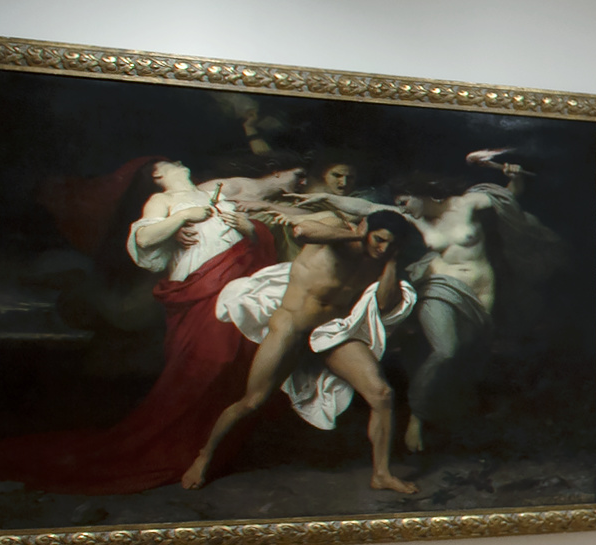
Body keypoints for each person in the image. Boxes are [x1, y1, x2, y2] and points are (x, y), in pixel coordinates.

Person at [0, 159, 284, 494]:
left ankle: (212, 447)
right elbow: (143, 237)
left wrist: (248, 228)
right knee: (204, 366)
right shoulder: (161, 200)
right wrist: (180, 219)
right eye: (170, 163)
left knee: (233, 369)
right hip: (196, 292)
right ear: (157, 175)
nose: (179, 163)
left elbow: (259, 230)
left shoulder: (216, 193)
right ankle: (181, 448)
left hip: (236, 289)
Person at [182, 205, 430, 494]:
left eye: (392, 245)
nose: (383, 248)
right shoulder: (332, 229)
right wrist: (356, 236)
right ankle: (204, 456)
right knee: (252, 401)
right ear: (364, 227)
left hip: (329, 333)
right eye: (379, 239)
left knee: (382, 393)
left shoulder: (381, 260)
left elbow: (385, 304)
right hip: (291, 327)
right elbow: (302, 231)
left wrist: (392, 262)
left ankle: (382, 475)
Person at [391, 149, 560, 451]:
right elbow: (363, 207)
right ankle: (417, 416)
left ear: (419, 193)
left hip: (481, 293)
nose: (401, 208)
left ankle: (447, 422)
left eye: (404, 201)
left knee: (466, 357)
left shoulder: (466, 203)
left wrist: (515, 178)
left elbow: (508, 199)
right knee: (446, 351)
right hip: (439, 288)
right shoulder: (410, 217)